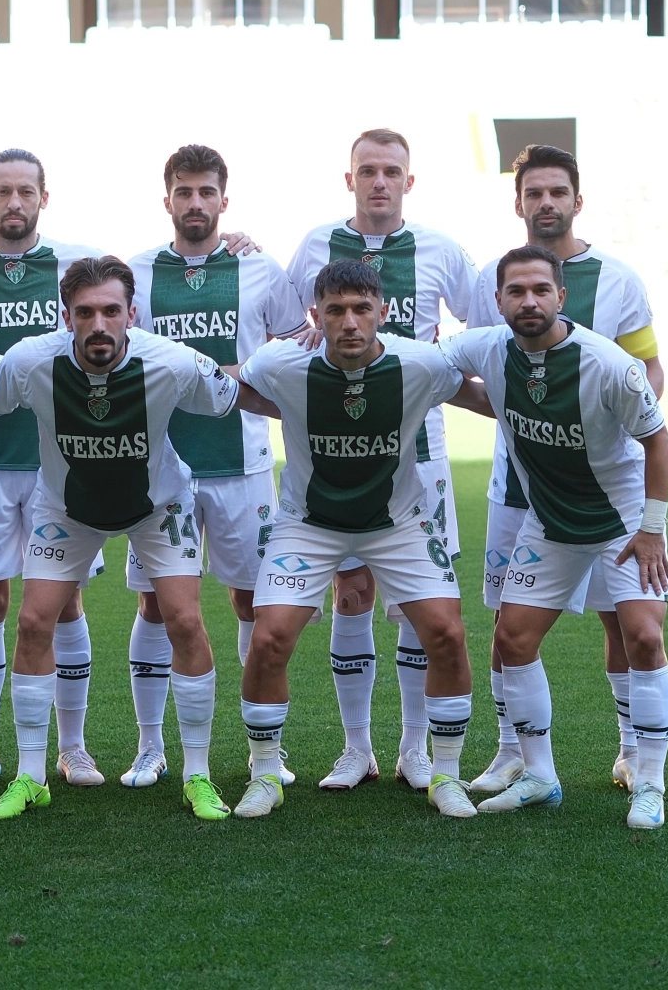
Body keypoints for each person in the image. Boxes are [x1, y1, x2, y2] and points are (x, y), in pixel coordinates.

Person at [0, 256, 240, 821]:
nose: (99, 325)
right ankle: (30, 776)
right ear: (65, 316)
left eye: (111, 311)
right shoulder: (29, 360)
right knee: (33, 622)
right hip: (67, 507)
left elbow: (226, 396)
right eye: (85, 313)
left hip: (157, 505)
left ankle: (197, 774)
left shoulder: (173, 361)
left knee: (184, 621)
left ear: (132, 314)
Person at [227, 258, 491, 820]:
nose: (349, 322)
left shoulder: (420, 363)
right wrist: (289, 410)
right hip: (308, 523)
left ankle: (444, 774)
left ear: (383, 312)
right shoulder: (280, 362)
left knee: (446, 633)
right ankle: (265, 773)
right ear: (315, 316)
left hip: (398, 523)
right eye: (336, 310)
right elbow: (233, 386)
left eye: (361, 309)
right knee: (269, 637)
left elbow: (479, 397)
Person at [441, 245, 668, 829]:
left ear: (561, 297)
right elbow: (423, 360)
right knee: (512, 636)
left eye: (541, 290)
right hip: (549, 519)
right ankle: (540, 777)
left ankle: (650, 781)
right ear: (498, 302)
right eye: (517, 292)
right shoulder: (486, 347)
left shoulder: (608, 363)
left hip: (621, 520)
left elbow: (659, 442)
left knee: (644, 636)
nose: (530, 301)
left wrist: (652, 530)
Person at [286, 128, 479, 792]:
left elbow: (483, 319)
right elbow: (279, 320)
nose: (378, 182)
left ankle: (414, 748)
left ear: (408, 181)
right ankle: (355, 748)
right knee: (351, 594)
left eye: (390, 172)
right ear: (349, 180)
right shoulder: (316, 243)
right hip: (335, 453)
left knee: (417, 606)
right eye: (367, 170)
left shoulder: (439, 249)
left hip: (418, 453)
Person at [120, 144, 306, 789]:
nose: (195, 203)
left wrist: (243, 373)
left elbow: (296, 344)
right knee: (155, 604)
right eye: (184, 192)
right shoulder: (137, 272)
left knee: (253, 601)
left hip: (242, 464)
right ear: (167, 199)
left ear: (224, 199)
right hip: (161, 468)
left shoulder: (259, 268)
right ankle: (150, 747)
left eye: (206, 192)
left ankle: (264, 747)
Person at [0, 149, 109, 789]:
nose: (14, 202)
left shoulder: (77, 263)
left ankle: (73, 747)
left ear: (43, 198)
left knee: (64, 601)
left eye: (25, 191)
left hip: (60, 461)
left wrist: (236, 241)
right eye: (3, 191)